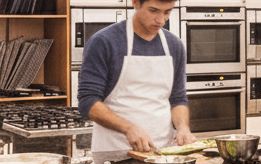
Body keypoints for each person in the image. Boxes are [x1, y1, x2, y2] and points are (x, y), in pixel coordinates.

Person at [79, 0, 193, 154]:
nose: (161, 20)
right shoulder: (104, 42)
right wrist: (128, 128)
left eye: (167, 12)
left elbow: (177, 99)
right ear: (135, 3)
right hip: (115, 151)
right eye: (153, 10)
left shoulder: (174, 45)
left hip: (163, 152)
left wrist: (182, 127)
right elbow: (88, 103)